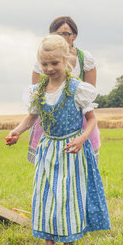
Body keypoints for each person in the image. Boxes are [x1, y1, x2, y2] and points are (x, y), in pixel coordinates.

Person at [7, 35, 110, 245]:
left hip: (71, 150)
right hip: (48, 150)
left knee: (67, 198)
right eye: (45, 64)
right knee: (45, 197)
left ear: (66, 61)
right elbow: (32, 117)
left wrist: (82, 138)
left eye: (54, 63)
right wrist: (16, 131)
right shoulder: (39, 90)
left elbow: (91, 119)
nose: (49, 68)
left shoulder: (77, 88)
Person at [28, 16, 101, 164]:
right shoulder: (43, 61)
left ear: (74, 36)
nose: (62, 37)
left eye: (66, 34)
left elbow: (90, 91)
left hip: (77, 118)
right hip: (52, 119)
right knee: (51, 160)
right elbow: (37, 93)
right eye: (57, 34)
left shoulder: (84, 58)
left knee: (79, 162)